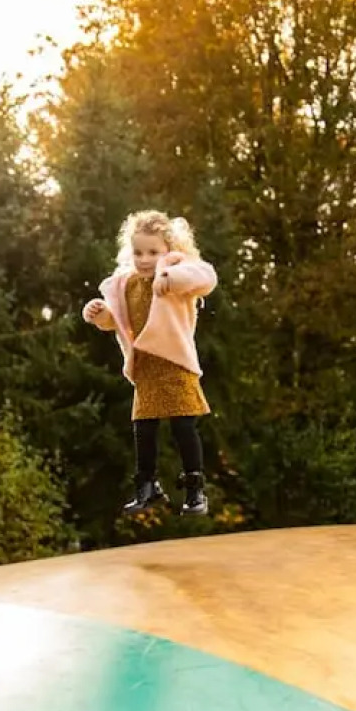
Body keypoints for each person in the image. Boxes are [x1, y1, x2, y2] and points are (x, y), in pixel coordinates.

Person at [82, 210, 218, 517]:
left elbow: (206, 277)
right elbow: (116, 323)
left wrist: (169, 276)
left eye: (153, 252)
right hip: (145, 366)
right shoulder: (127, 284)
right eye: (139, 252)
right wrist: (99, 314)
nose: (145, 259)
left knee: (184, 425)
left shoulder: (178, 277)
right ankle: (147, 486)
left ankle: (196, 490)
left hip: (174, 363)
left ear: (169, 251)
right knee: (143, 428)